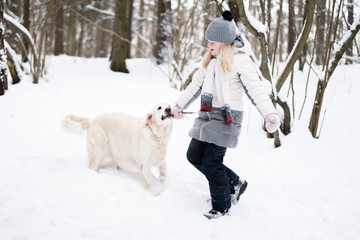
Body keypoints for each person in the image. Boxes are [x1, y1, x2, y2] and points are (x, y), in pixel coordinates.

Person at [172, 10, 280, 219]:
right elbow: (196, 86)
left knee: (211, 163)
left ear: (224, 42)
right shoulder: (210, 60)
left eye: (212, 42)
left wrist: (270, 115)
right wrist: (178, 105)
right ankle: (235, 183)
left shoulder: (241, 61)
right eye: (208, 42)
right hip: (207, 114)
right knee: (193, 156)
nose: (209, 46)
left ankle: (221, 207)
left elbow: (256, 90)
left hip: (227, 117)